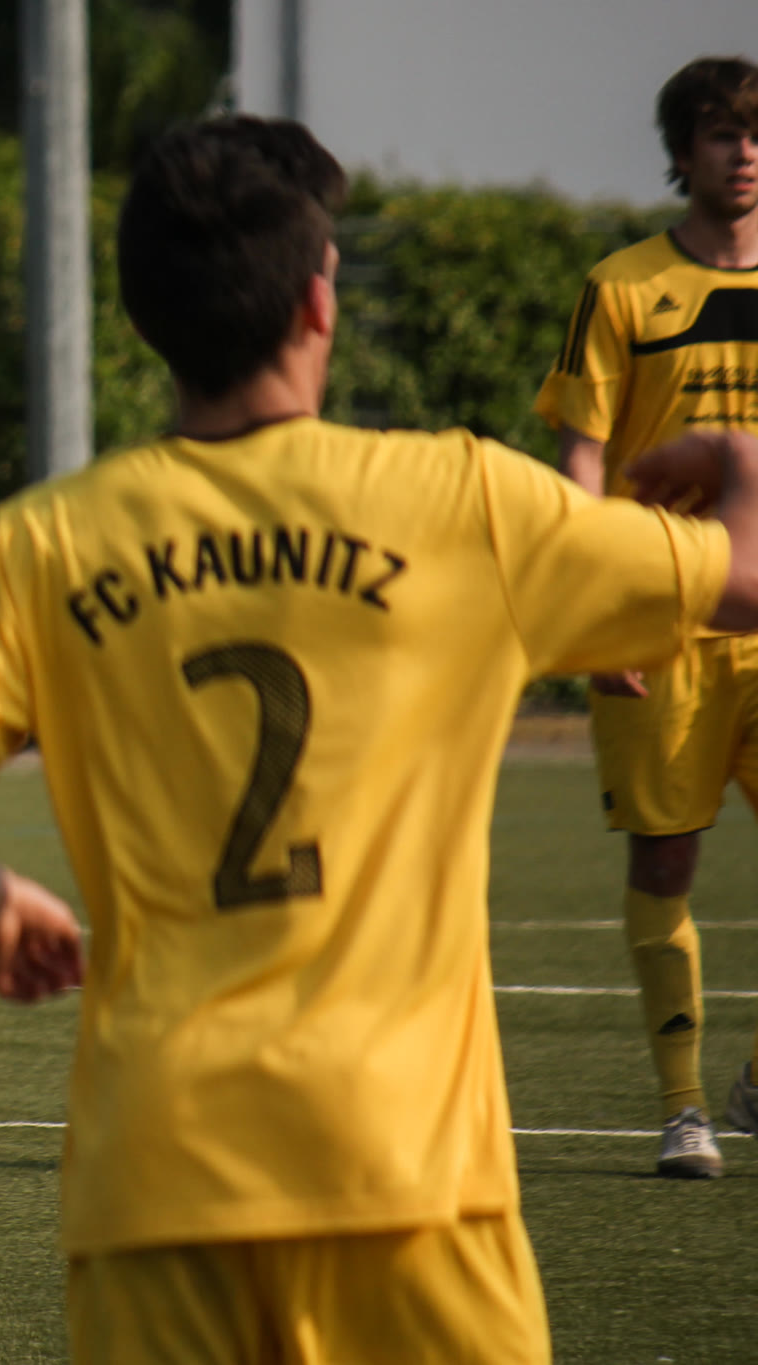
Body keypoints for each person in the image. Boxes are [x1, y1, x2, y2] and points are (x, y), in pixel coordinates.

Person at [0, 114, 758, 1365]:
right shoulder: (459, 501)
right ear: (316, 304)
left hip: (154, 1177)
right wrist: (734, 461)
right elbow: (743, 582)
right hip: (406, 1173)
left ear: (141, 321)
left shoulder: (47, 539)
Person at [534, 54, 758, 1179]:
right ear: (680, 153)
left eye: (755, 132)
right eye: (721, 132)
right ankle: (684, 1110)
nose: (745, 151)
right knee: (665, 861)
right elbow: (579, 458)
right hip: (662, 620)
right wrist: (595, 609)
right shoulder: (621, 287)